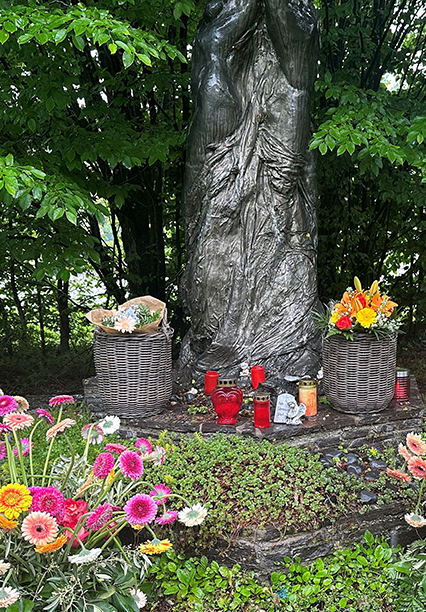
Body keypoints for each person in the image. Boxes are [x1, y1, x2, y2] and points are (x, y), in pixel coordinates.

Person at [177, 0, 321, 386]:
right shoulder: (217, 49)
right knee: (217, 219)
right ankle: (223, 343)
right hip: (226, 151)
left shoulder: (297, 36)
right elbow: (217, 46)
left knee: (282, 218)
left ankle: (282, 344)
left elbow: (291, 38)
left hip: (280, 146)